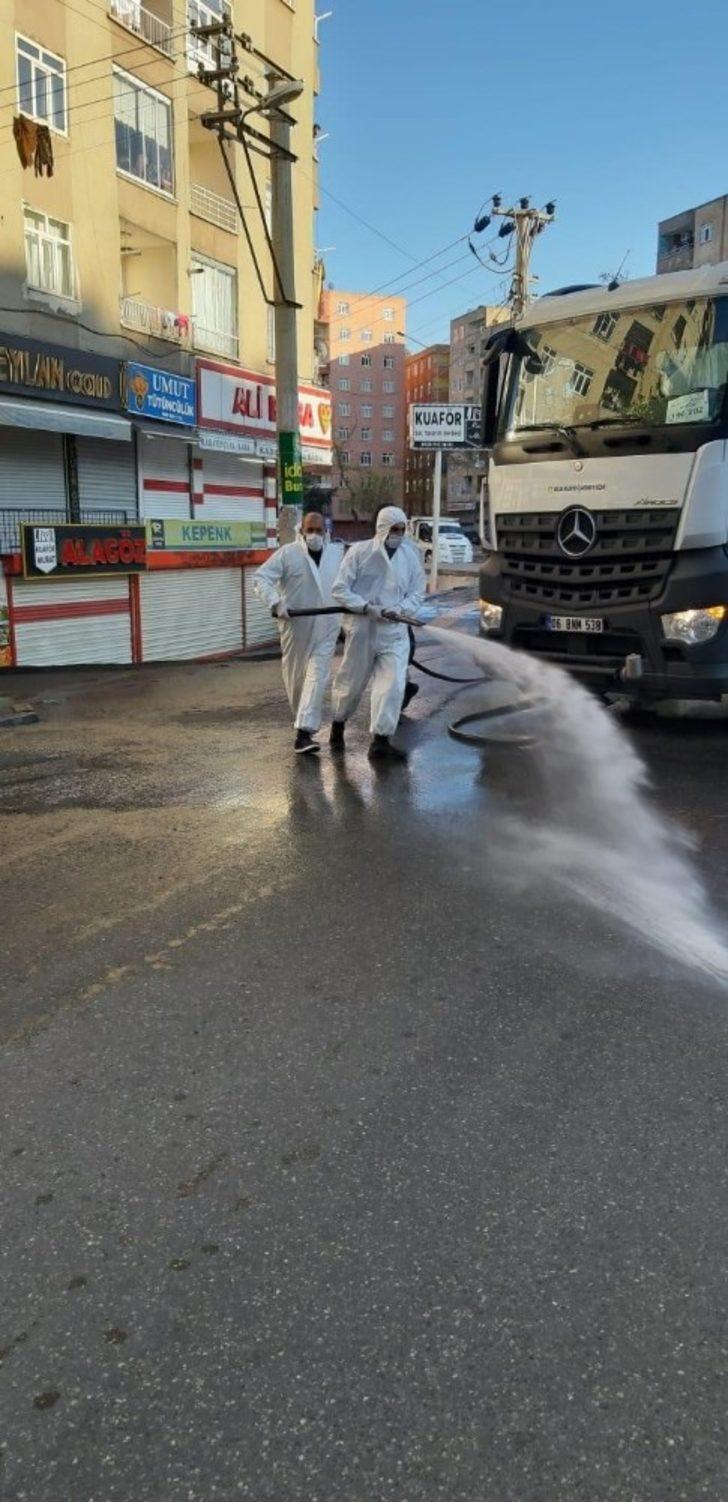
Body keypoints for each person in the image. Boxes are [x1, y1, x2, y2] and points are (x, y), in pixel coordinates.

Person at [330, 505, 426, 761]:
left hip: (394, 631)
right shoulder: (359, 553)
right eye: (394, 529)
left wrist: (400, 609)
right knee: (351, 682)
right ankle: (338, 725)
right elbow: (339, 589)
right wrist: (365, 607)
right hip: (363, 629)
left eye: (402, 529)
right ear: (382, 528)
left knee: (392, 685)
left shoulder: (410, 555)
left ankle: (380, 742)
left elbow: (418, 591)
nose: (399, 534)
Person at [253, 512, 344, 754]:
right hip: (296, 628)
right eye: (309, 530)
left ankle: (303, 734)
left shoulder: (337, 554)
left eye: (318, 530)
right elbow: (260, 578)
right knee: (297, 682)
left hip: (327, 626)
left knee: (317, 677)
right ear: (301, 530)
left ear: (326, 531)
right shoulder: (288, 554)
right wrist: (275, 602)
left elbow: (347, 584)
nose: (314, 535)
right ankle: (302, 721)